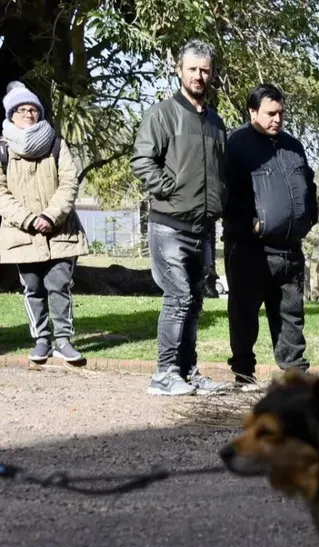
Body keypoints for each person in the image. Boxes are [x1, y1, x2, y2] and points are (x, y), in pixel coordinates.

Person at [131, 39, 228, 396]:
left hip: (204, 228)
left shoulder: (216, 121)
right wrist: (168, 187)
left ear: (211, 73)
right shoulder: (162, 114)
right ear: (179, 69)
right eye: (192, 69)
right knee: (179, 297)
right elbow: (142, 160)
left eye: (205, 70)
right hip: (169, 225)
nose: (199, 76)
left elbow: (221, 171)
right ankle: (163, 373)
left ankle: (188, 371)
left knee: (195, 301)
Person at [222, 83, 317, 389]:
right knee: (244, 313)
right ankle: (243, 373)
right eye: (270, 113)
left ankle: (295, 376)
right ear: (252, 112)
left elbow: (309, 185)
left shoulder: (293, 146)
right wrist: (250, 225)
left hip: (289, 249)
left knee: (291, 314)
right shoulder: (235, 145)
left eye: (281, 113)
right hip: (249, 249)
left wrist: (309, 216)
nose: (277, 119)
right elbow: (224, 192)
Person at [0, 82, 88, 365]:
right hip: (21, 234)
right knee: (33, 287)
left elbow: (69, 182)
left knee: (60, 284)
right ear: (11, 114)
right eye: (22, 110)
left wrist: (50, 216)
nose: (29, 114)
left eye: (33, 109)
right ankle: (41, 339)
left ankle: (63, 339)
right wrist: (28, 219)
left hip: (60, 230)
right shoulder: (3, 150)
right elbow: (0, 192)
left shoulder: (56, 143)